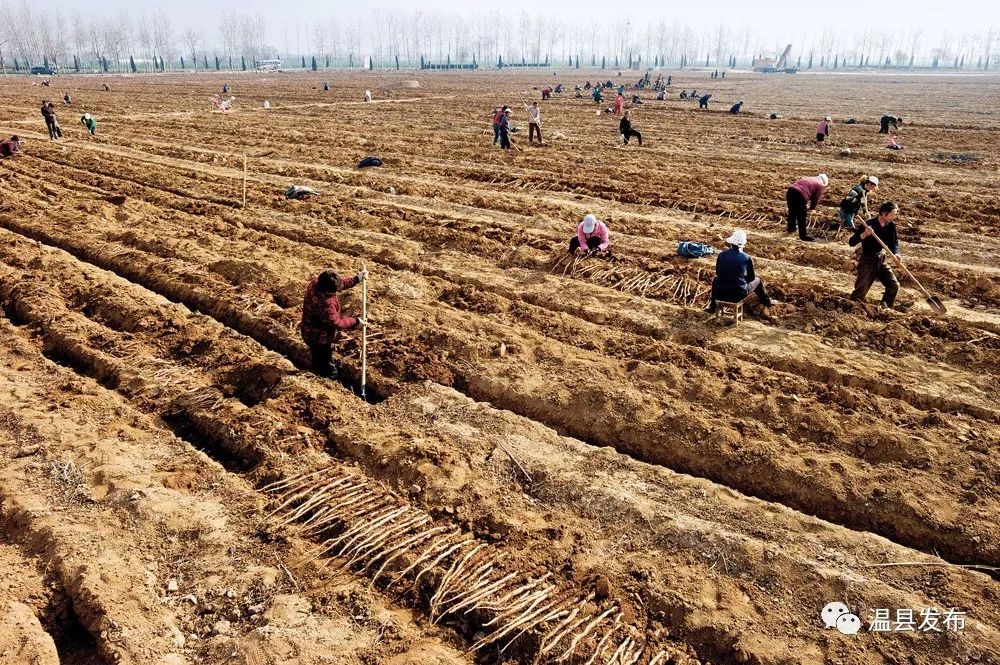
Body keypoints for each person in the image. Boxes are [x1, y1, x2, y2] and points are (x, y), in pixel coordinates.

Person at [300, 270, 367, 379]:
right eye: (334, 291)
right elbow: (337, 323)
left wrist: (357, 279)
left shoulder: (317, 282)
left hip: (308, 330)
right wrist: (356, 322)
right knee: (325, 360)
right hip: (318, 338)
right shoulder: (326, 304)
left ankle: (317, 369)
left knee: (317, 357)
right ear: (328, 291)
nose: (337, 291)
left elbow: (339, 284)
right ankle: (329, 379)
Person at [707, 230, 774, 314]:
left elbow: (718, 273)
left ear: (731, 242)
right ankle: (767, 302)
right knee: (758, 280)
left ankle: (712, 306)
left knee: (716, 279)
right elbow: (751, 278)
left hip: (720, 293)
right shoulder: (746, 257)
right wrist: (740, 279)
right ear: (743, 244)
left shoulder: (721, 255)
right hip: (738, 295)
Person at [849, 201, 901, 308]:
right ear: (884, 213)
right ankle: (851, 309)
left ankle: (886, 307)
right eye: (893, 213)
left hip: (881, 259)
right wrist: (864, 234)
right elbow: (852, 242)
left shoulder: (891, 225)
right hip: (867, 259)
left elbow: (893, 242)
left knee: (893, 285)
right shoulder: (868, 224)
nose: (894, 216)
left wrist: (896, 254)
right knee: (861, 290)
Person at [786, 173, 828, 242]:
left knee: (792, 211)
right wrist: (812, 208)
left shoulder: (809, 178)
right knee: (802, 216)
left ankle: (791, 228)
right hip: (800, 194)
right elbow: (815, 198)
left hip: (790, 191)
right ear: (824, 182)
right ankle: (803, 236)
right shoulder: (820, 184)